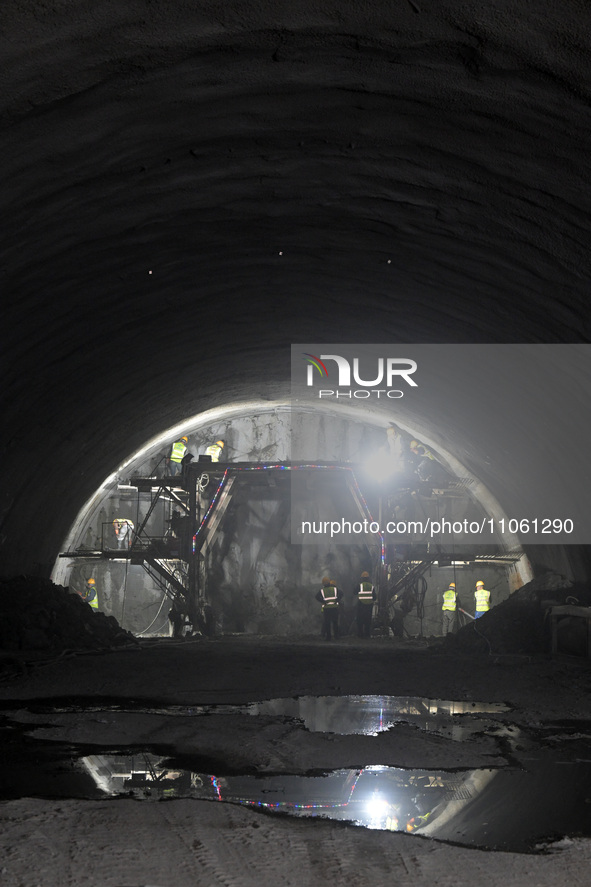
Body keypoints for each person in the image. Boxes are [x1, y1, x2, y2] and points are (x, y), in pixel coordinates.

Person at [356, 571, 376, 638]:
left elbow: (354, 592)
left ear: (362, 578)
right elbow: (375, 597)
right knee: (368, 621)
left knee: (360, 620)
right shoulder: (371, 587)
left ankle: (360, 634)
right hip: (369, 606)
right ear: (368, 578)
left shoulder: (360, 585)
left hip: (361, 605)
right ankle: (367, 635)